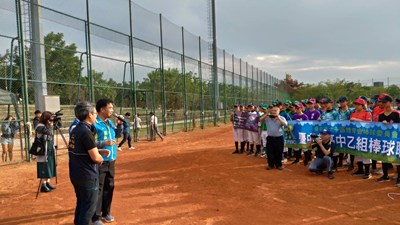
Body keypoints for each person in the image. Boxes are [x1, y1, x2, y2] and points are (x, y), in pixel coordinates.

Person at [68, 101, 106, 225]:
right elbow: (96, 158)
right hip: (87, 175)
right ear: (89, 114)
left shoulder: (75, 129)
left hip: (76, 174)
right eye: (95, 113)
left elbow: (81, 149)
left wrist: (98, 150)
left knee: (81, 203)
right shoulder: (86, 132)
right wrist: (100, 157)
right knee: (88, 207)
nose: (96, 116)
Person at [92, 99, 118, 224]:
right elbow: (90, 144)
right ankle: (96, 217)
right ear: (102, 109)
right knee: (99, 188)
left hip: (111, 160)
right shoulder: (94, 124)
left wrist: (122, 123)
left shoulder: (109, 123)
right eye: (110, 108)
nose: (112, 111)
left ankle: (106, 212)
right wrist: (103, 146)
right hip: (100, 161)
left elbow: (118, 133)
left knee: (110, 186)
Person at [376, 95, 400, 186]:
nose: (384, 104)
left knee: (397, 158)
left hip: (395, 139)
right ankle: (385, 175)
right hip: (385, 139)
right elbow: (379, 128)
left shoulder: (396, 114)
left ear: (390, 102)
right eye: (382, 102)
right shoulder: (381, 115)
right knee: (384, 157)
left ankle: (399, 178)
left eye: (386, 102)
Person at [349, 98, 373, 179]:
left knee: (365, 153)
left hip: (365, 136)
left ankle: (367, 172)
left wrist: (356, 120)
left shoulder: (367, 113)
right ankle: (360, 170)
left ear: (363, 106)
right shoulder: (353, 113)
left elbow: (369, 123)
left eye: (358, 104)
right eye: (355, 104)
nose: (356, 106)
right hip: (356, 135)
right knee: (357, 153)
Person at [260, 106, 287, 170]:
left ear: (279, 111)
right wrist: (266, 114)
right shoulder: (267, 118)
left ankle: (279, 165)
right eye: (272, 110)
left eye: (275, 111)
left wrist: (279, 119)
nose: (273, 112)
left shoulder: (282, 118)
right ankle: (270, 165)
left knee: (279, 152)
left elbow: (285, 124)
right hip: (270, 138)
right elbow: (260, 120)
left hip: (279, 138)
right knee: (269, 152)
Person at [36, 111, 57, 192]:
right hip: (43, 149)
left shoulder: (47, 125)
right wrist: (50, 125)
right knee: (45, 166)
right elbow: (48, 134)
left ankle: (47, 182)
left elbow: (54, 130)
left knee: (51, 165)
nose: (51, 120)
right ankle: (43, 185)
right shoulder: (40, 126)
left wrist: (56, 122)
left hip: (49, 147)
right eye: (50, 118)